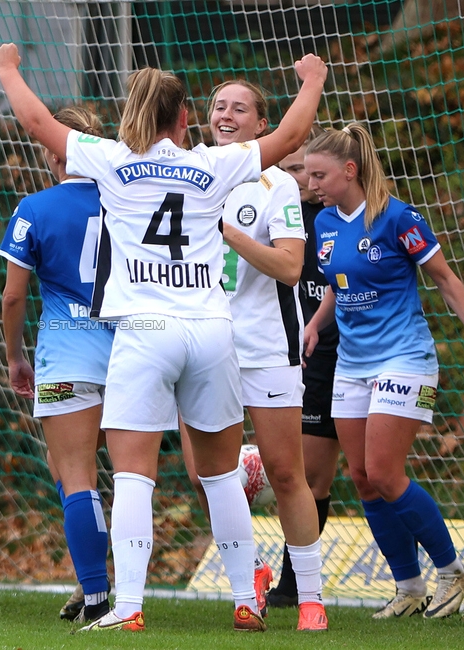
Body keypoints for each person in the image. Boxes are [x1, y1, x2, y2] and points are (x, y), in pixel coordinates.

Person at [0, 42, 327, 633]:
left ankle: (128, 607)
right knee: (223, 475)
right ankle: (246, 599)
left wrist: (8, 70)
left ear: (132, 113)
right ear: (184, 118)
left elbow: (38, 122)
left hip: (145, 332)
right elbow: (293, 136)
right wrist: (312, 79)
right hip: (211, 331)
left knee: (132, 475)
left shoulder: (112, 159)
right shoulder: (210, 163)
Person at [302, 123, 464, 619]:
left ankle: (453, 572)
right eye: (306, 174)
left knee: (385, 471)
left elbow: (444, 278)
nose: (310, 183)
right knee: (362, 479)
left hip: (404, 358)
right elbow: (339, 284)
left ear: (349, 170)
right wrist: (316, 325)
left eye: (318, 174)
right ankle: (409, 588)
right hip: (351, 363)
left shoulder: (396, 217)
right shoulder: (324, 223)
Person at [177, 81, 326, 629]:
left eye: (241, 108)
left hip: (265, 348)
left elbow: (290, 268)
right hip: (200, 346)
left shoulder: (277, 185)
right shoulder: (187, 173)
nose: (227, 115)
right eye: (219, 106)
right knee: (202, 476)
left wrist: (227, 233)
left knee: (289, 474)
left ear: (262, 126)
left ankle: (310, 598)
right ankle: (254, 570)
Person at [0, 105, 113, 624]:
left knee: (75, 476)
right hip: (137, 352)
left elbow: (13, 298)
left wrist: (15, 357)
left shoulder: (36, 207)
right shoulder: (129, 200)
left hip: (69, 354)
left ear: (52, 151)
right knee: (130, 477)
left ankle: (96, 594)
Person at [268, 132, 342, 608]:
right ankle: (286, 581)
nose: (300, 180)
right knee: (295, 471)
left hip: (333, 354)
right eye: (292, 169)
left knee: (318, 476)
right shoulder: (271, 210)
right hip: (285, 354)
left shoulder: (334, 220)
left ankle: (296, 584)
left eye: (307, 171)